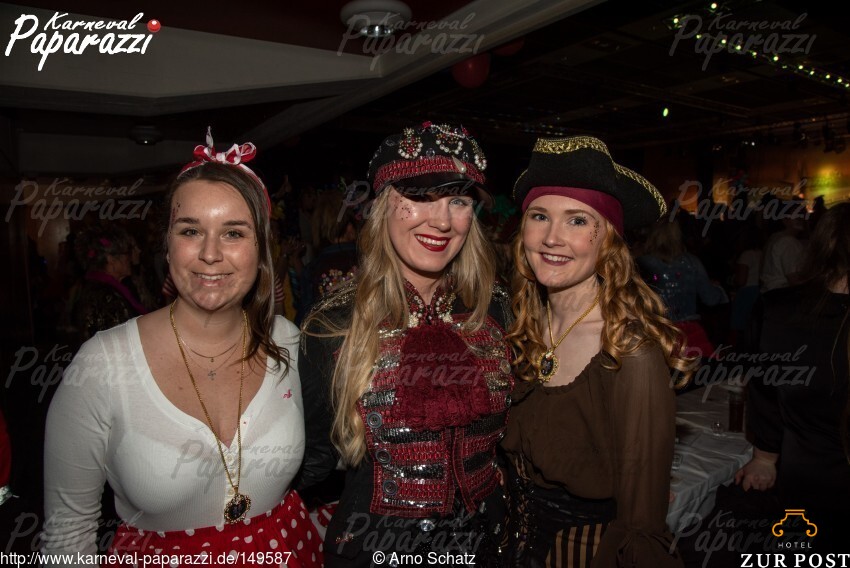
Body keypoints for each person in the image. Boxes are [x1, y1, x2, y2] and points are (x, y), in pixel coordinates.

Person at [43, 131, 322, 567]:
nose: (210, 254)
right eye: (191, 230)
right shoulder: (101, 366)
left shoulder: (286, 340)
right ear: (167, 245)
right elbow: (67, 535)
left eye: (234, 233)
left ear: (261, 248)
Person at [298, 122, 513, 567]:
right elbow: (312, 457)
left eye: (458, 200)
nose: (442, 220)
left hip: (488, 548)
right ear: (382, 207)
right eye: (419, 197)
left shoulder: (495, 309)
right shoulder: (334, 324)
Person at [502, 136, 693, 567]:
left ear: (608, 238)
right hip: (508, 543)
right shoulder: (522, 325)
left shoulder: (629, 352)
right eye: (539, 216)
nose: (552, 238)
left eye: (577, 221)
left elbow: (641, 521)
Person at [735, 202, 850, 550]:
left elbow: (765, 389)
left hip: (807, 480)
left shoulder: (779, 311)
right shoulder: (780, 310)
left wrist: (765, 457)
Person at [637, 219, 727, 358]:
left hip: (656, 333)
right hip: (688, 332)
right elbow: (711, 299)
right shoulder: (691, 262)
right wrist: (718, 288)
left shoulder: (641, 263)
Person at [72, 225, 149, 343]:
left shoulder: (99, 286)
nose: (129, 258)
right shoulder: (107, 296)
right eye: (126, 253)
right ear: (111, 259)